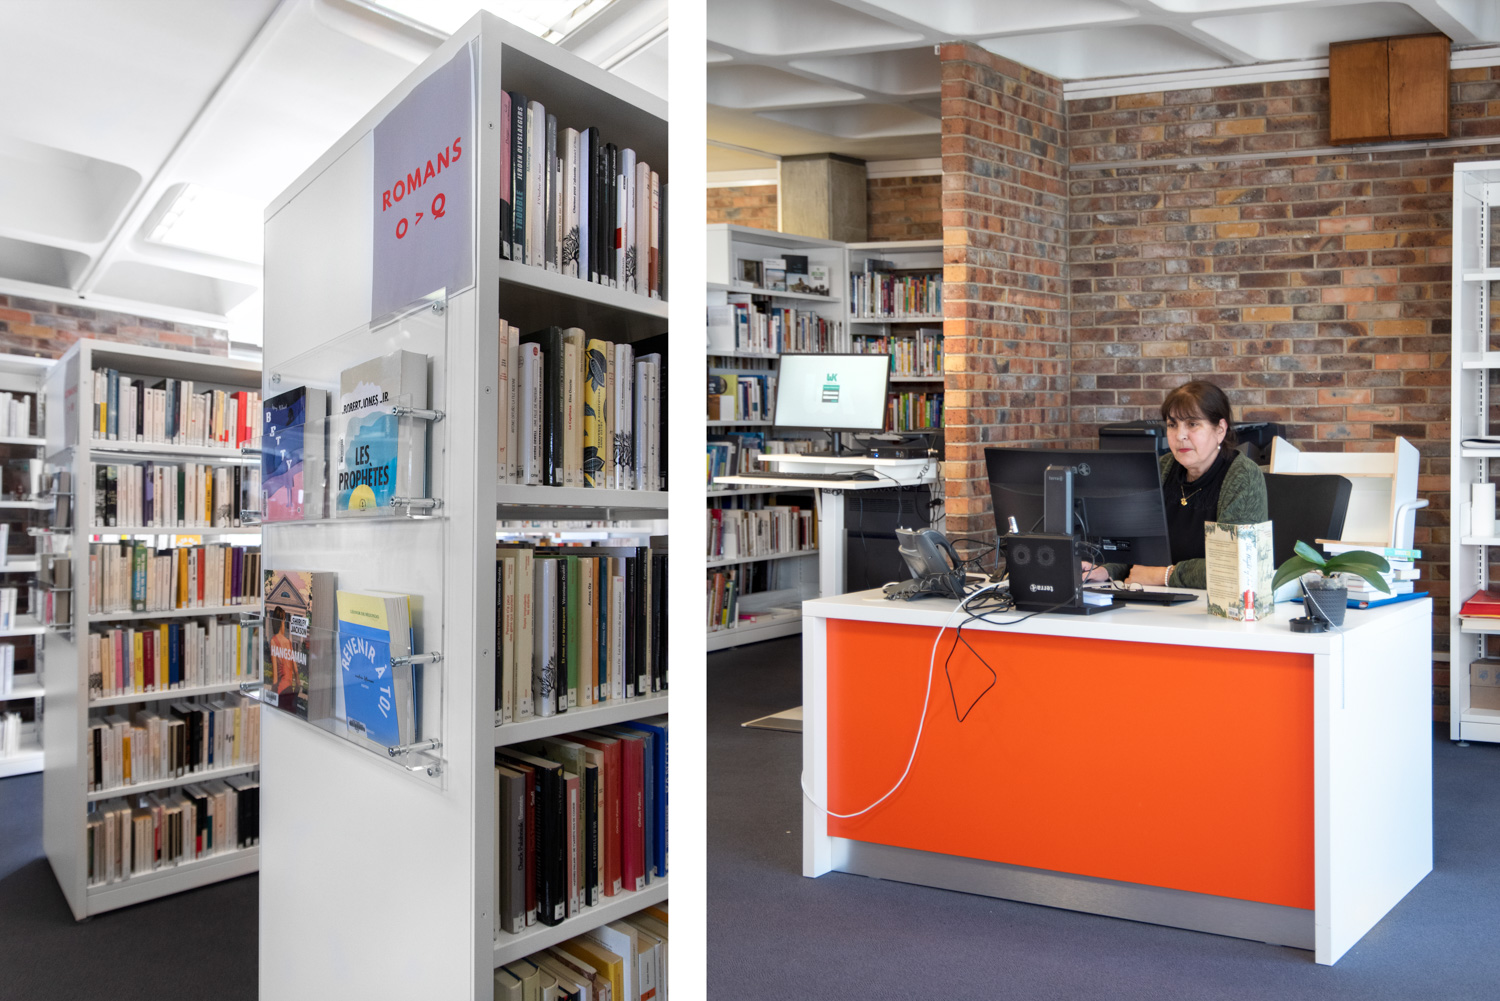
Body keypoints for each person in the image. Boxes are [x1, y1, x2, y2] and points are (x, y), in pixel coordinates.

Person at [1084, 380, 1267, 589]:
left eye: (1192, 424)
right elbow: (1137, 546)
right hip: (1154, 597)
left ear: (1220, 430)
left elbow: (1234, 565)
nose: (1180, 435)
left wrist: (1165, 575)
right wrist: (1106, 570)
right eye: (1172, 425)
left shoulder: (1243, 476)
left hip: (1211, 604)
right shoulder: (1162, 468)